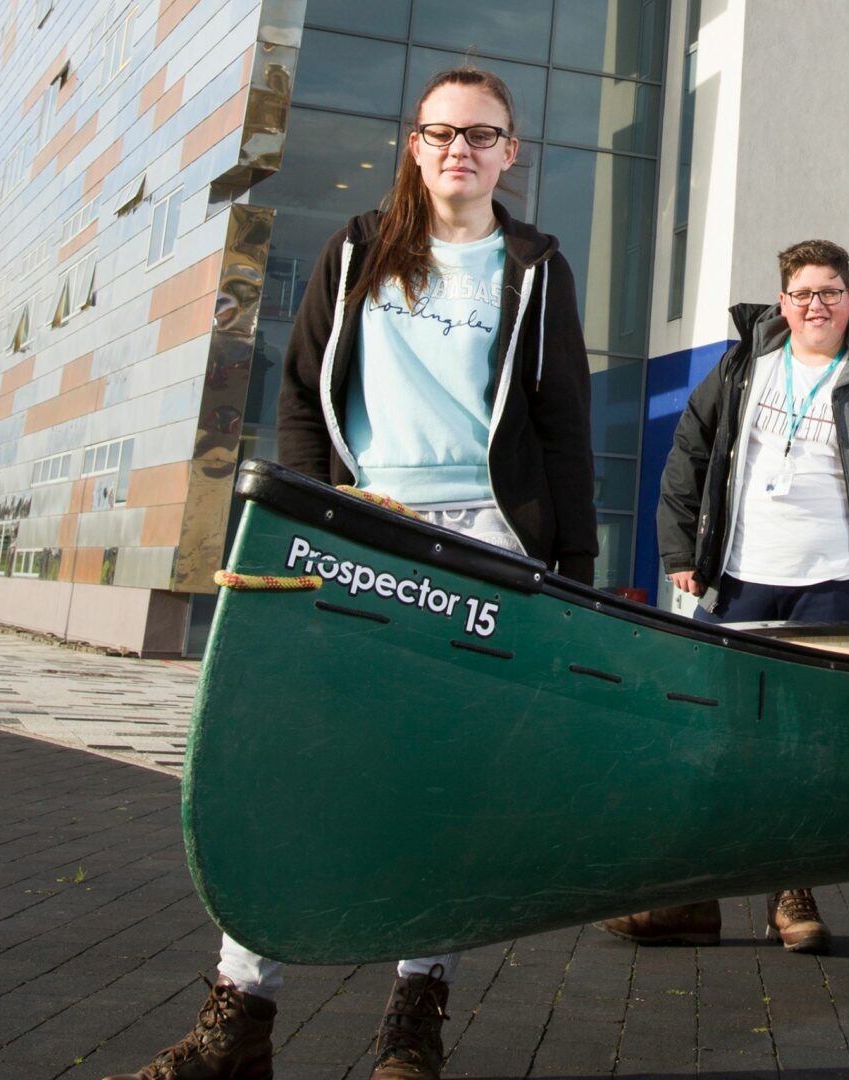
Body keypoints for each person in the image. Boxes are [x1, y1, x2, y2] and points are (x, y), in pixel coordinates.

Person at [104, 67, 596, 1080]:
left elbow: (563, 423)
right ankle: (239, 1015)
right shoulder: (358, 249)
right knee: (304, 761)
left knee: (440, 779)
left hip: (486, 544)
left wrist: (574, 572)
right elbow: (300, 391)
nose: (460, 147)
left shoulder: (537, 267)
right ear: (414, 144)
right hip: (364, 526)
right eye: (441, 131)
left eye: (482, 134)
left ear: (512, 152)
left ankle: (417, 1009)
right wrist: (314, 512)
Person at [600, 239, 849, 955]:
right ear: (782, 303)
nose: (814, 306)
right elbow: (688, 456)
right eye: (801, 295)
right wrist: (678, 553)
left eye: (828, 293)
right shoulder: (740, 368)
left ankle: (792, 894)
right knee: (711, 736)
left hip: (835, 585)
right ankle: (691, 897)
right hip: (741, 576)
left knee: (807, 748)